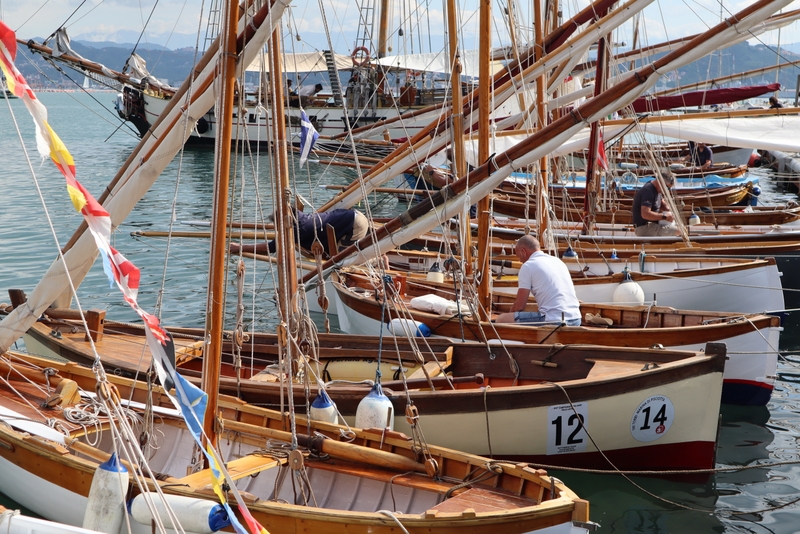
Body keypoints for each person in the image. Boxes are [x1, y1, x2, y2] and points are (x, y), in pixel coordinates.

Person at [495, 236, 581, 326]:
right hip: (576, 319)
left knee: (501, 319)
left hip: (553, 320)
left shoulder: (528, 266)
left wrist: (510, 316)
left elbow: (519, 306)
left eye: (518, 256)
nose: (520, 260)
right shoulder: (558, 261)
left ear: (523, 251)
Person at [230, 207, 370, 258]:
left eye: (277, 225)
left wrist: (241, 248)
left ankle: (375, 260)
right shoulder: (299, 217)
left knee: (342, 261)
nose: (277, 229)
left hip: (355, 223)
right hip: (350, 216)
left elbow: (272, 247)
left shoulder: (298, 230)